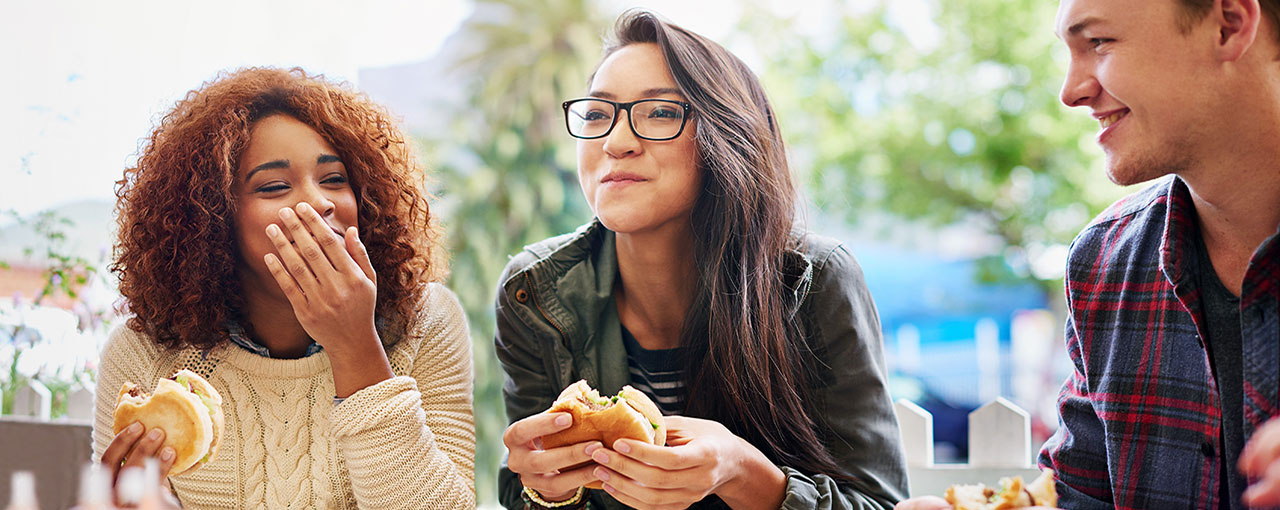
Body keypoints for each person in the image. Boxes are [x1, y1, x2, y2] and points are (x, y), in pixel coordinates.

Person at [494, 9, 907, 510]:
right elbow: (525, 494)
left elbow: (883, 503)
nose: (616, 142)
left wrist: (745, 475)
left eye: (661, 113)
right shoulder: (533, 292)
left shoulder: (814, 280)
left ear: (725, 138)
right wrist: (544, 492)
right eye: (598, 115)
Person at [898, 0, 1280, 509]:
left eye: (1098, 43)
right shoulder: (1104, 262)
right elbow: (1078, 497)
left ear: (1228, 25)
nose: (1070, 91)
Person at [95, 67, 475, 509]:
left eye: (335, 179)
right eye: (274, 186)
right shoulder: (144, 355)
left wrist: (355, 346)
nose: (319, 202)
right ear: (212, 220)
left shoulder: (426, 322)